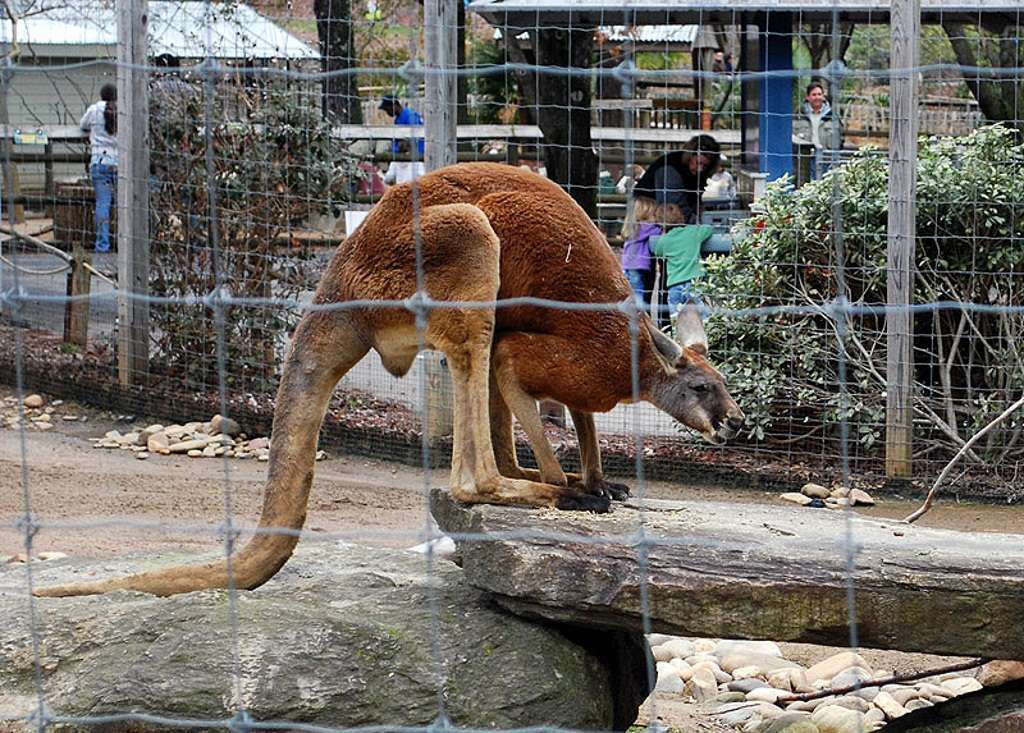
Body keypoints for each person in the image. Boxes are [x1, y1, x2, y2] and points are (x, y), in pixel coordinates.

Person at [632, 134, 721, 224]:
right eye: (698, 163)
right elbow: (672, 210)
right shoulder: (670, 169)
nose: (700, 169)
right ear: (690, 156)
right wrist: (699, 223)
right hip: (649, 218)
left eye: (705, 166)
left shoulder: (694, 173)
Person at [650, 221, 716, 331]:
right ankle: (709, 335)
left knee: (676, 318)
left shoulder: (665, 239)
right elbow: (709, 228)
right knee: (702, 316)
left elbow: (657, 251)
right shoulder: (693, 232)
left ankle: (678, 340)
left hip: (674, 284)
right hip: (693, 282)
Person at [620, 198, 684, 308]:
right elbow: (660, 232)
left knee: (633, 291)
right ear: (645, 215)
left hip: (628, 266)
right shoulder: (645, 227)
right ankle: (636, 313)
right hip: (637, 266)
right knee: (639, 294)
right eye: (654, 215)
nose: (656, 218)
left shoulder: (634, 227)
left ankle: (624, 307)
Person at [80, 83, 118, 252]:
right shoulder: (123, 111)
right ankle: (125, 242)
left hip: (100, 160)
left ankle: (103, 244)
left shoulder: (94, 110)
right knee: (124, 205)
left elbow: (83, 125)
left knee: (103, 204)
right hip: (120, 162)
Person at [793, 81, 844, 180]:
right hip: (805, 162)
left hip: (827, 161)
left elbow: (841, 139)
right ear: (808, 97)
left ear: (823, 96)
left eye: (819, 94)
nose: (817, 97)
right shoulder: (799, 115)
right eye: (814, 94)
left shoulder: (833, 116)